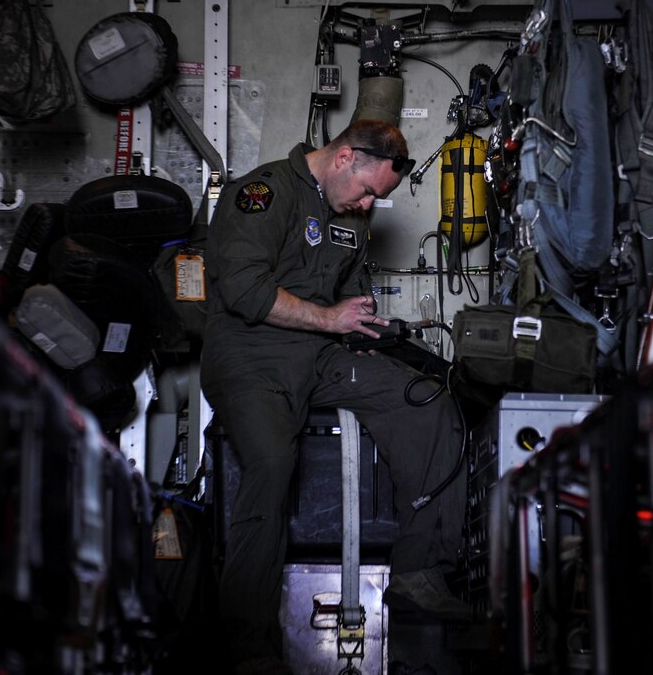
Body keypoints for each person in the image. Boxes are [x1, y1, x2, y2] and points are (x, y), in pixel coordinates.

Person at [201, 119, 469, 675]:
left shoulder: (350, 213)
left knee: (424, 399)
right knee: (273, 462)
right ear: (345, 157)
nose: (369, 203)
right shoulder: (263, 192)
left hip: (319, 356)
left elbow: (349, 292)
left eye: (379, 198)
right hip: (252, 356)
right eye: (369, 190)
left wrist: (366, 329)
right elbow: (244, 291)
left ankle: (419, 574)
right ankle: (247, 644)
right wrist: (329, 319)